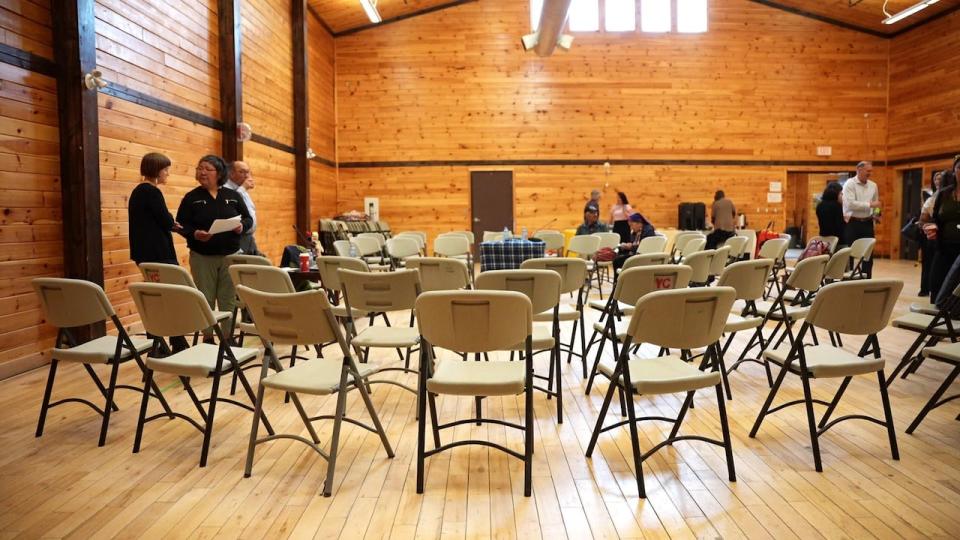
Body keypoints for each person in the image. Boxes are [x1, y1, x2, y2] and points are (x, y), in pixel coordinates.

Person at [176, 155, 253, 338]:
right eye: (199, 168)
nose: (202, 172)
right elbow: (181, 224)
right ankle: (208, 338)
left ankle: (227, 338)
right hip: (202, 257)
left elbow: (248, 219)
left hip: (230, 256)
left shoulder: (233, 196)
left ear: (219, 173)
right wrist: (194, 234)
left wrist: (242, 226)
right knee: (205, 298)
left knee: (228, 299)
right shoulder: (191, 198)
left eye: (207, 169)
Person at [128, 152, 188, 352]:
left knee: (155, 299)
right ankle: (177, 341)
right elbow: (164, 219)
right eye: (165, 170)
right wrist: (174, 224)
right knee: (171, 297)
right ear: (157, 170)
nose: (167, 174)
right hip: (159, 254)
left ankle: (157, 343)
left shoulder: (137, 192)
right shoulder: (151, 192)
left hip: (144, 254)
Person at [921, 157, 960, 303]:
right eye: (959, 168)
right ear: (954, 171)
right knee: (936, 283)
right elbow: (933, 218)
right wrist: (929, 227)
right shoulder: (944, 194)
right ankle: (937, 317)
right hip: (944, 247)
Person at [842, 161, 880, 278]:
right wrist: (870, 205)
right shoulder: (850, 184)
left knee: (868, 254)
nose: (870, 173)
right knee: (850, 253)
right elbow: (850, 204)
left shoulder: (873, 185)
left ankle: (866, 279)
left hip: (868, 223)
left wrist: (877, 214)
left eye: (871, 171)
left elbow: (877, 204)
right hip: (853, 222)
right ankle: (848, 279)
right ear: (859, 170)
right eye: (868, 171)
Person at [224, 161, 262, 256]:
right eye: (242, 172)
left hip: (248, 237)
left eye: (248, 172)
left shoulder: (241, 189)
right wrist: (243, 189)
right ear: (231, 173)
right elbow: (231, 205)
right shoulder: (225, 188)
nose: (246, 176)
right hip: (236, 238)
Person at [918, 171, 944, 296]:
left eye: (940, 179)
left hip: (942, 235)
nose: (938, 181)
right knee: (927, 262)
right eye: (936, 179)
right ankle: (924, 289)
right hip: (929, 233)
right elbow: (923, 218)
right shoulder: (930, 197)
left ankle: (936, 291)